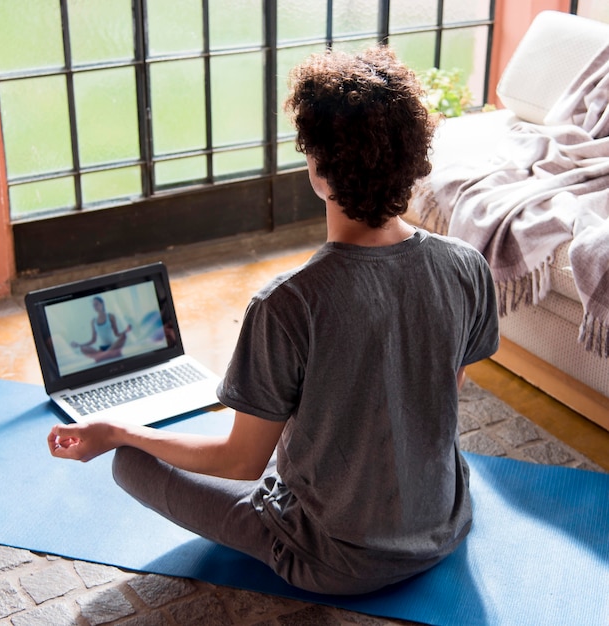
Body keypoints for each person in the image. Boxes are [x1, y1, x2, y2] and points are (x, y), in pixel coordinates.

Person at [47, 46, 499, 595]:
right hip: (442, 526)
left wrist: (118, 428)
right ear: (413, 157)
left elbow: (241, 462)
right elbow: (438, 409)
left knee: (129, 461)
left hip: (334, 560)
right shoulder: (466, 265)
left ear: (316, 166)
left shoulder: (288, 303)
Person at [71, 296, 132, 363]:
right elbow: (93, 340)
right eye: (93, 305)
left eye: (96, 304)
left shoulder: (110, 316)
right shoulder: (93, 321)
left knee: (124, 336)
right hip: (102, 349)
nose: (95, 307)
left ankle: (100, 357)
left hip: (113, 347)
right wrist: (79, 345)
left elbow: (116, 334)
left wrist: (126, 330)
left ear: (102, 304)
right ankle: (108, 355)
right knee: (83, 348)